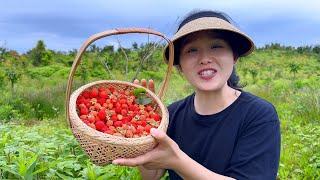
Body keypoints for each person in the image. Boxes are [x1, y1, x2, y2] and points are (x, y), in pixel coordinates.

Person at [112, 10, 281, 180]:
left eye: (216, 46)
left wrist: (177, 161)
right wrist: (145, 129)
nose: (205, 58)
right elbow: (152, 176)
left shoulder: (258, 115)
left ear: (234, 56)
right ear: (180, 66)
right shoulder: (172, 114)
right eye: (191, 50)